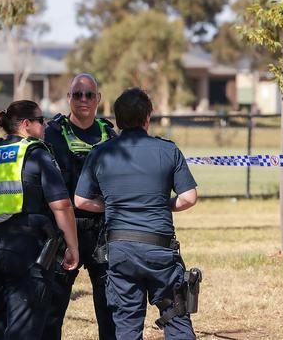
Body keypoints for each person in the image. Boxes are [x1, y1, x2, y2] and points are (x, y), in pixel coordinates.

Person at [74, 88, 198, 340]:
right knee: (176, 316)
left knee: (127, 325)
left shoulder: (100, 152)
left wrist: (113, 205)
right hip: (160, 251)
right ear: (147, 117)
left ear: (117, 120)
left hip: (121, 252)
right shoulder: (168, 150)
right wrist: (162, 205)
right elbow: (188, 198)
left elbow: (81, 200)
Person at [0, 100, 80, 339]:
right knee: (25, 328)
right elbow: (61, 205)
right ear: (26, 124)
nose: (45, 125)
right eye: (41, 121)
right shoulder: (36, 153)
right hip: (27, 248)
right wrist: (73, 246)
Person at [43, 74, 117, 340]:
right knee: (52, 311)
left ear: (98, 99)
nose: (83, 100)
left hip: (102, 232)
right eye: (77, 94)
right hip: (64, 232)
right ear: (68, 99)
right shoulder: (52, 132)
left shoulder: (110, 134)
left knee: (110, 311)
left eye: (89, 94)